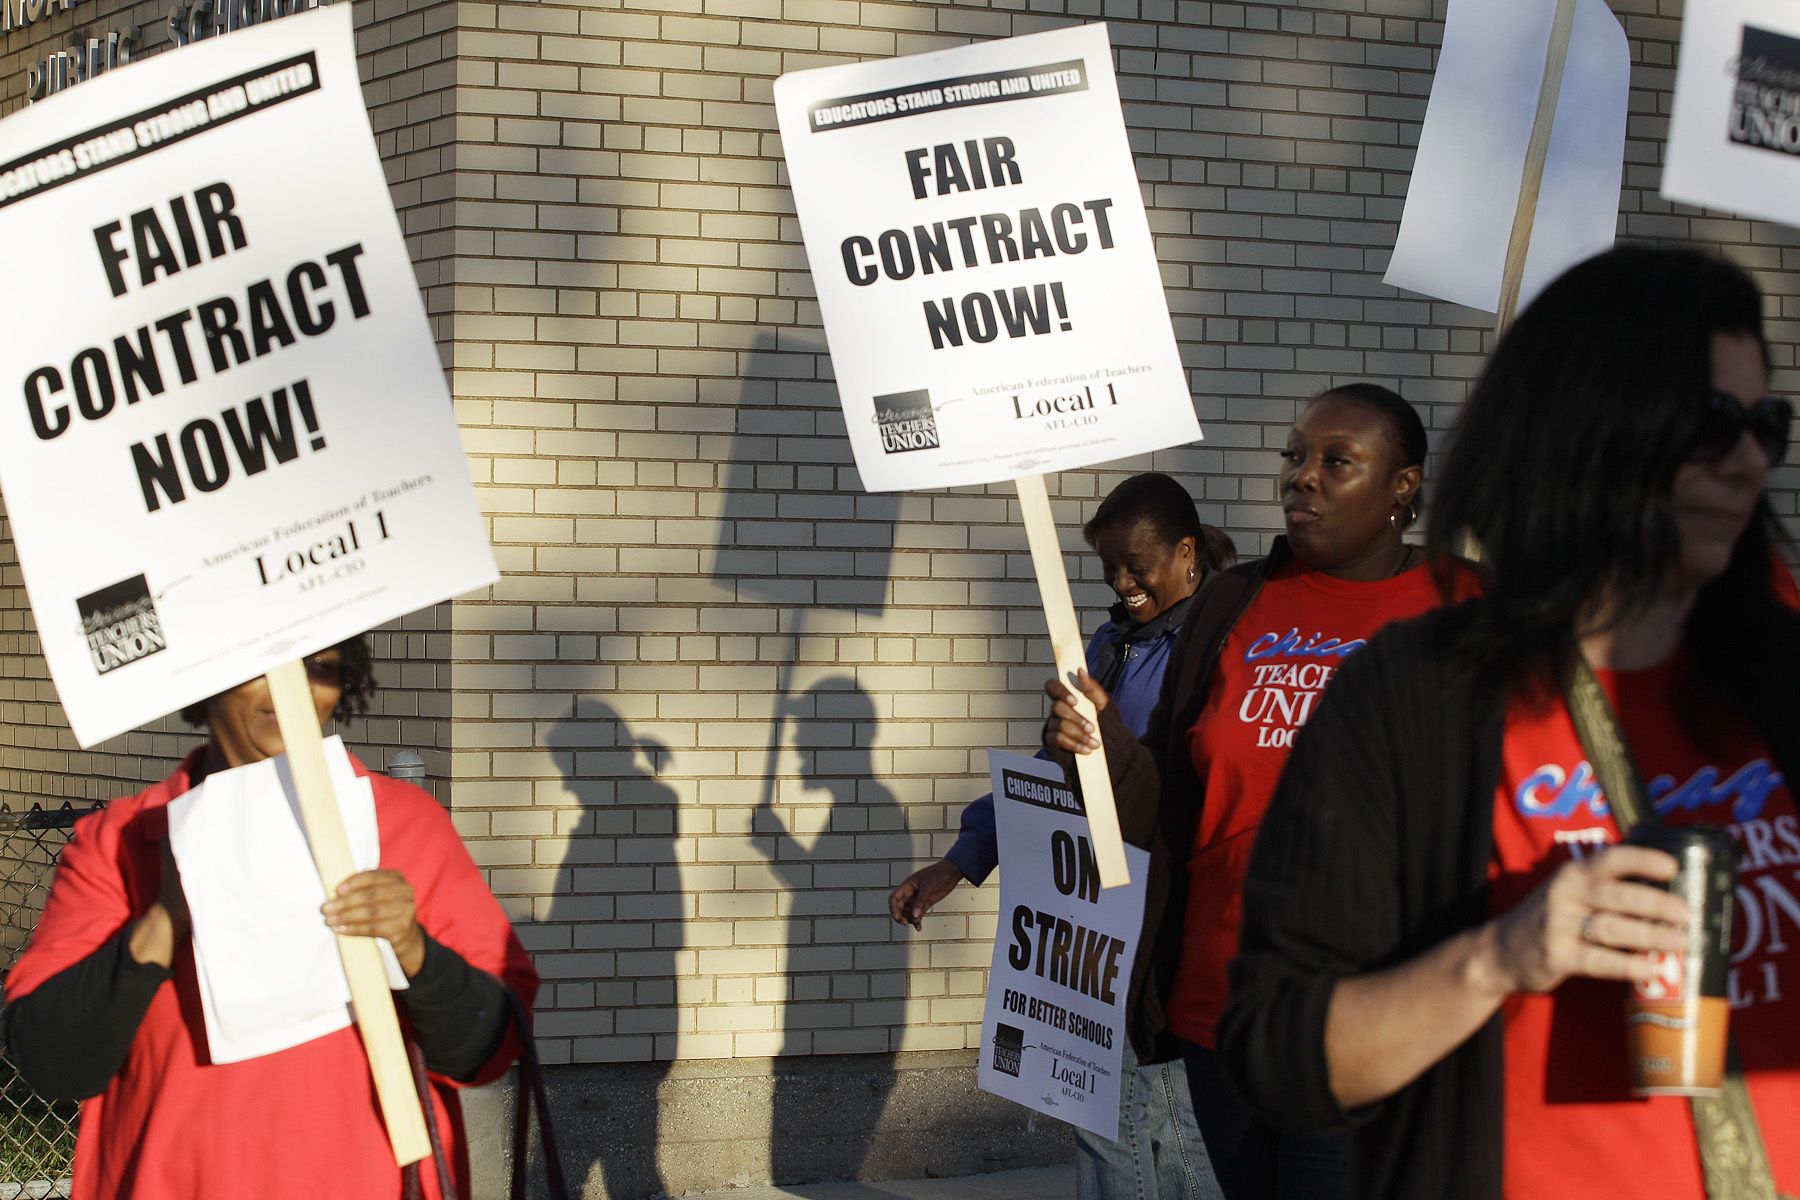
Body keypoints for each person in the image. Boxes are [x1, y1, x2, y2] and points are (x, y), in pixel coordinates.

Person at [1215, 245, 1800, 1199]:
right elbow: (1279, 1050)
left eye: (1765, 425)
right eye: (1710, 424)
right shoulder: (1418, 700)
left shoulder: (1778, 681)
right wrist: (1504, 953)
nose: (1747, 462)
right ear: (1582, 427)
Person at [1046, 384, 1473, 1200]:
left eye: (1335, 462)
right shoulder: (1230, 607)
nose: (1302, 477)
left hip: (1377, 1012)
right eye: (1294, 457)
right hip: (1225, 1011)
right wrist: (1097, 750)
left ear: (1404, 487)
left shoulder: (1466, 606)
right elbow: (1167, 808)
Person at [4, 636, 538, 1200]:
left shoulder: (405, 826)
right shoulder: (122, 841)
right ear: (205, 673)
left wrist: (412, 949)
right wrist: (164, 919)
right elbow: (54, 1064)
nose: (293, 688)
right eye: (262, 661)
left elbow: (490, 1048)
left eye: (320, 666)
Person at [890, 472, 1235, 1200]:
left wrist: (1106, 742)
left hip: (1168, 935)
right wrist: (963, 858)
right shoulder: (1110, 644)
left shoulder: (1224, 648)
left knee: (1172, 1138)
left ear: (1187, 553)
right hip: (1092, 931)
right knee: (1102, 1127)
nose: (1121, 580)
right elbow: (1052, 774)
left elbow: (1197, 789)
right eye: (1108, 565)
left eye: (1135, 564)